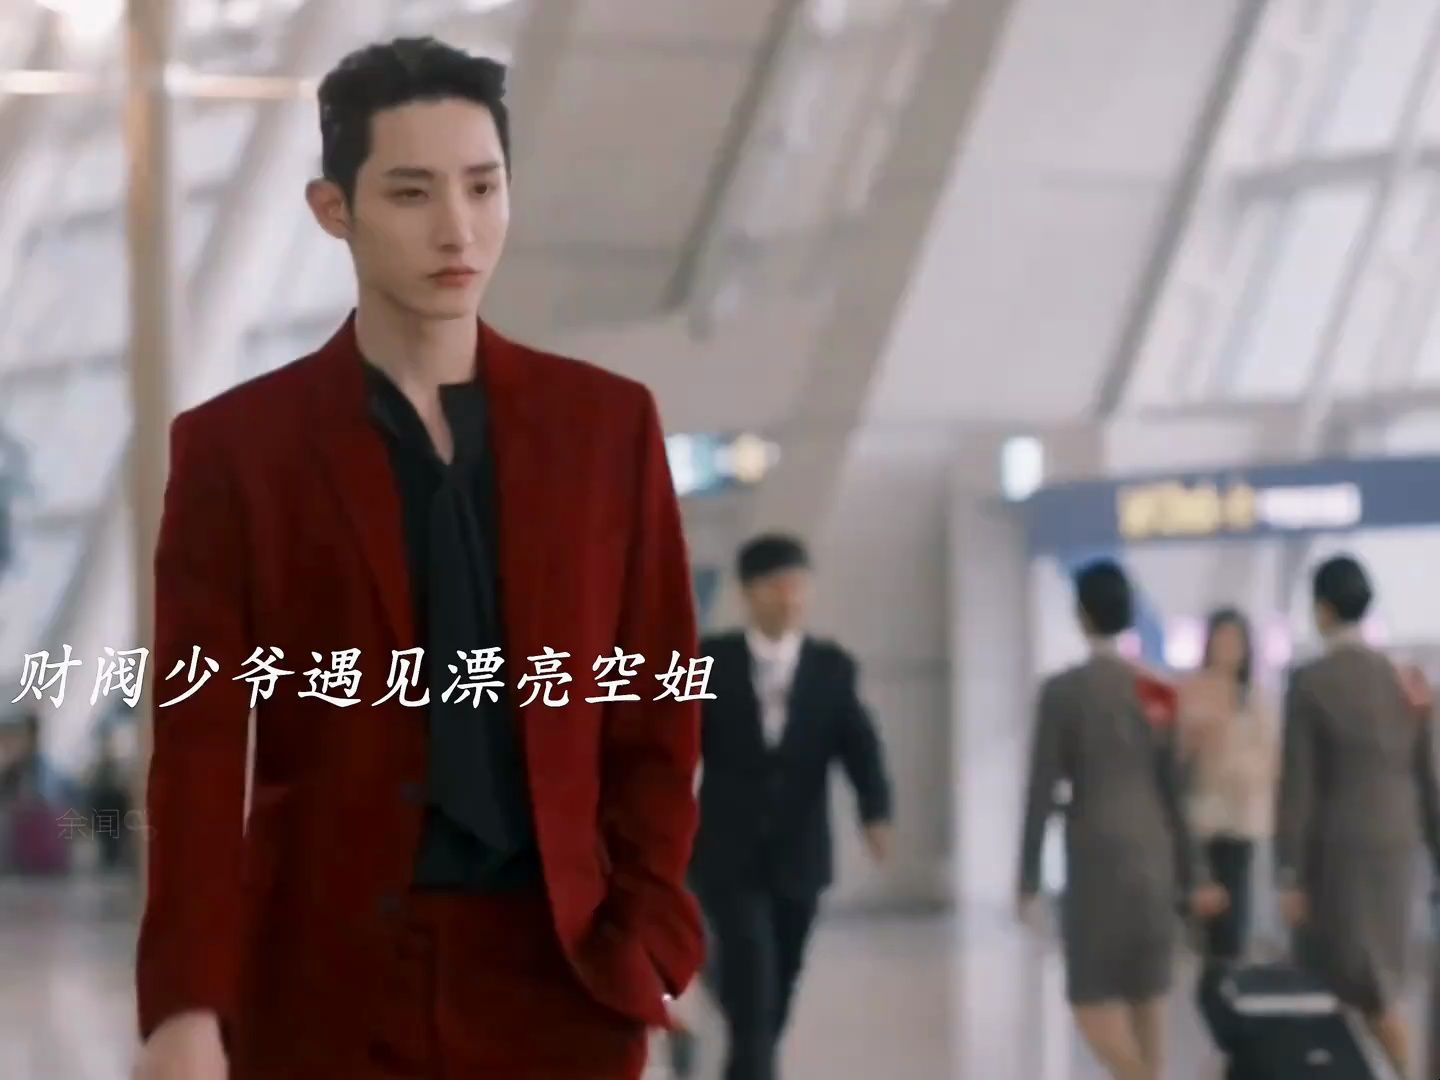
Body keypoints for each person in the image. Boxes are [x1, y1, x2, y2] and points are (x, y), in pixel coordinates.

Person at [133, 38, 704, 1080]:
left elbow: (658, 703)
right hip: (324, 985)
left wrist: (651, 935)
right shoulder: (237, 450)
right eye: (411, 192)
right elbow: (199, 751)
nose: (457, 229)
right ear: (333, 209)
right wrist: (186, 1003)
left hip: (563, 978)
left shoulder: (606, 428)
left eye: (483, 187)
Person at [688, 533, 893, 1080]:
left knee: (776, 989)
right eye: (778, 585)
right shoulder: (710, 662)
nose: (791, 597)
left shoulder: (831, 667)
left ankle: (748, 1056)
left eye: (799, 585)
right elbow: (672, 746)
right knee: (754, 987)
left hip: (800, 854)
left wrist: (875, 812)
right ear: (749, 592)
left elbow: (860, 746)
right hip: (727, 855)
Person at [1017, 559, 1226, 1080]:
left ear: (1081, 616)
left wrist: (1027, 876)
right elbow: (1174, 794)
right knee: (1146, 994)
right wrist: (1195, 873)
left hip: (1095, 856)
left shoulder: (1063, 692)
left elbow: (1041, 788)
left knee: (1090, 1000)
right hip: (1154, 856)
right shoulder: (1157, 691)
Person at [1275, 554, 1440, 1077]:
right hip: (1396, 849)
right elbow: (1428, 776)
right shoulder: (1404, 680)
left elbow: (1299, 786)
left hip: (1337, 857)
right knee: (1378, 979)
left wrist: (1289, 872)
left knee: (1350, 986)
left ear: (1322, 609)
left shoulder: (1311, 682)